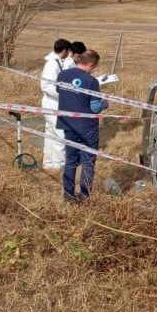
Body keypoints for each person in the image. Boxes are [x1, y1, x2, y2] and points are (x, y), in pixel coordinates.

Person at [56, 49, 108, 201]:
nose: (96, 69)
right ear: (91, 64)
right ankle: (84, 195)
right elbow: (95, 108)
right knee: (87, 161)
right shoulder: (92, 81)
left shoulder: (63, 75)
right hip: (87, 127)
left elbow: (60, 91)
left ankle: (68, 195)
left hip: (67, 124)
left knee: (70, 160)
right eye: (96, 66)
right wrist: (105, 103)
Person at [40, 38, 71, 169]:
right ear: (64, 51)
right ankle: (59, 164)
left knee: (51, 133)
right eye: (68, 51)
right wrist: (64, 93)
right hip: (52, 103)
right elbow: (46, 86)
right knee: (60, 133)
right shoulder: (52, 65)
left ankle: (49, 163)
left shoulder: (57, 62)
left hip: (53, 103)